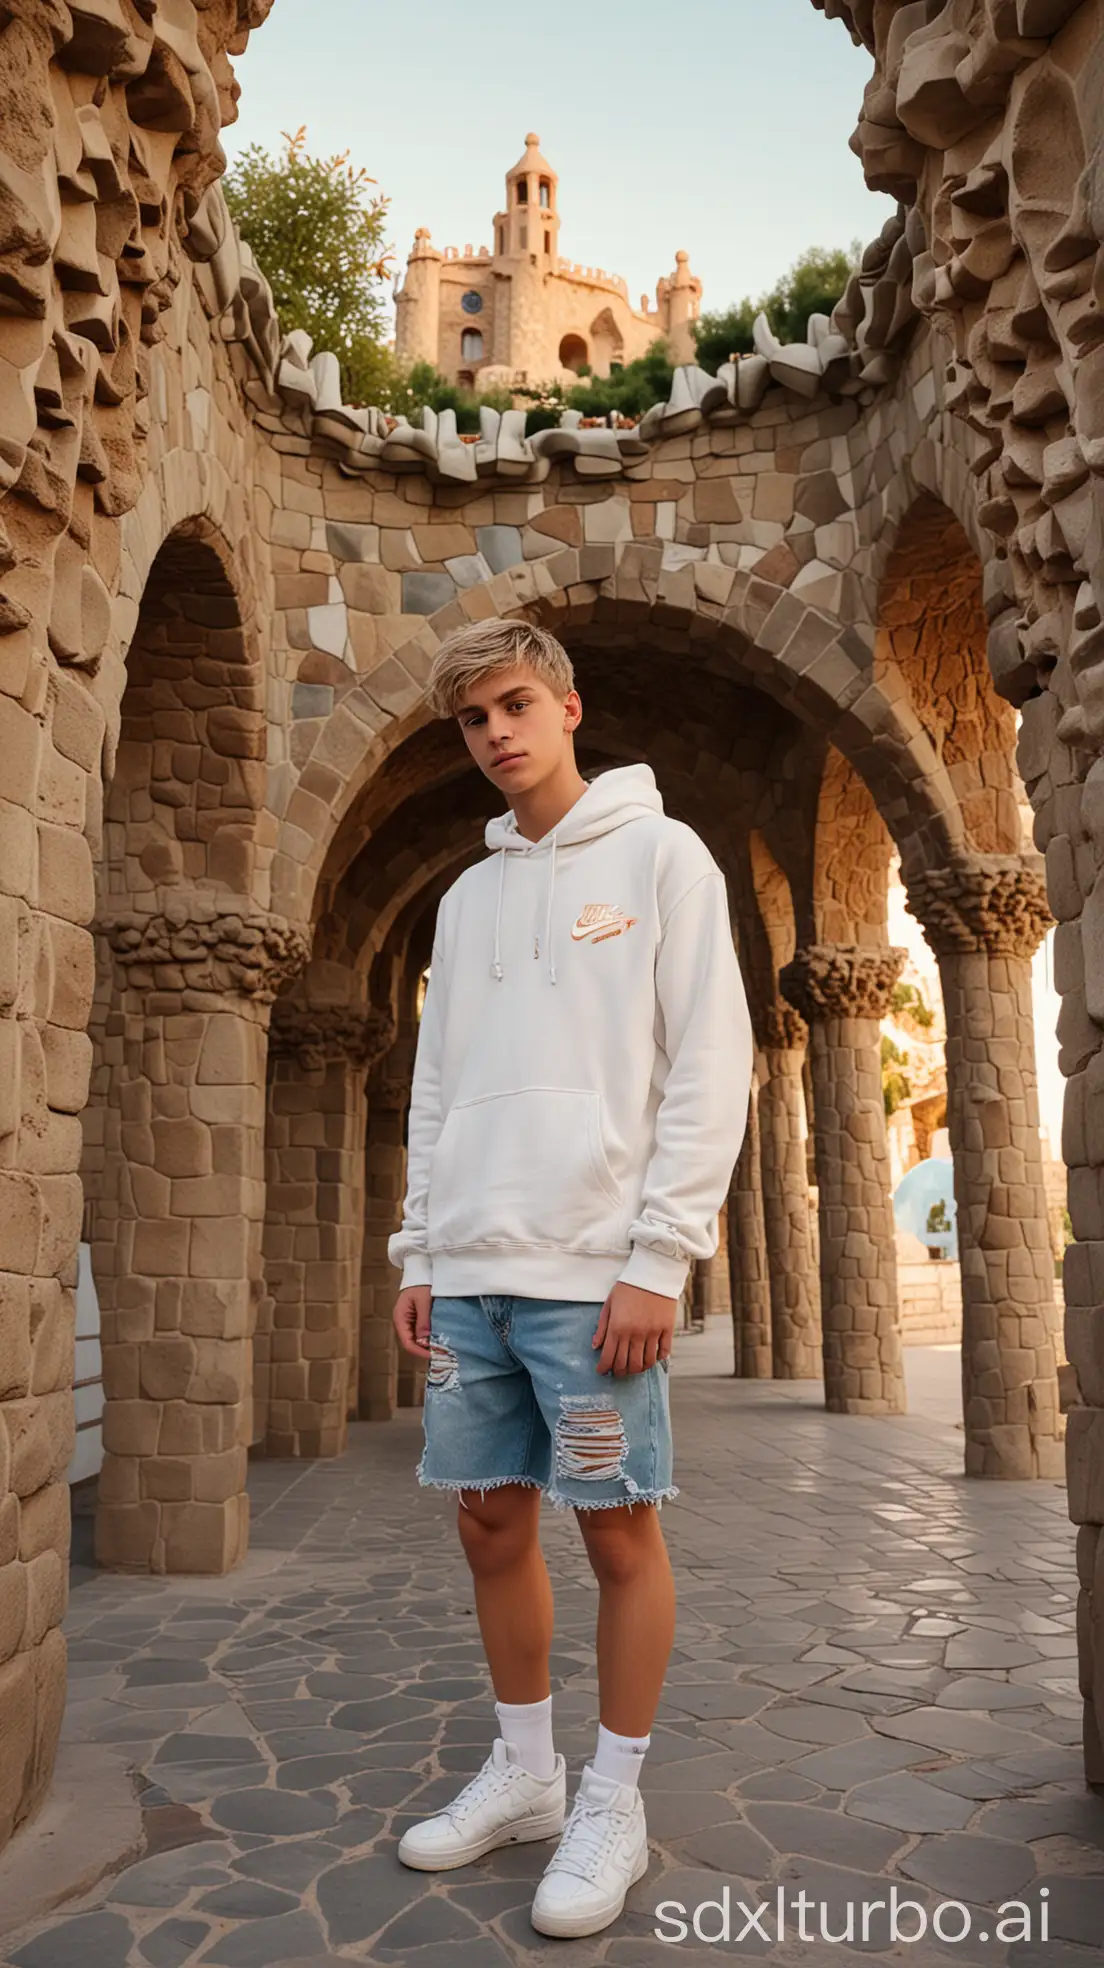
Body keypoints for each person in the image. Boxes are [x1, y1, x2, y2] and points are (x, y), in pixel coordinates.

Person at [388, 617, 752, 1939]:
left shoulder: (661, 858)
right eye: (474, 718)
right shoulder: (464, 899)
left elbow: (714, 1061)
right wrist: (420, 1249)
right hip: (473, 1284)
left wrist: (659, 1257)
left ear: (569, 707)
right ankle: (529, 1776)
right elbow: (437, 1091)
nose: (495, 732)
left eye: (514, 703)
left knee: (614, 1528)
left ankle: (616, 1794)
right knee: (487, 1520)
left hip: (593, 1287)